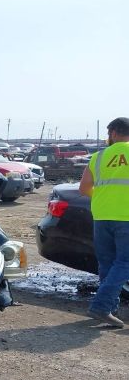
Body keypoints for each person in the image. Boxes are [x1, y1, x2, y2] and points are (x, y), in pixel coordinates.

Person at [79, 117, 129, 327]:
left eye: (109, 133)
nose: (107, 138)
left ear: (115, 132)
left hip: (101, 215)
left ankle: (108, 308)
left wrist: (104, 199)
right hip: (125, 216)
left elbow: (83, 188)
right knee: (124, 263)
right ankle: (101, 306)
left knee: (107, 263)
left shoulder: (98, 157)